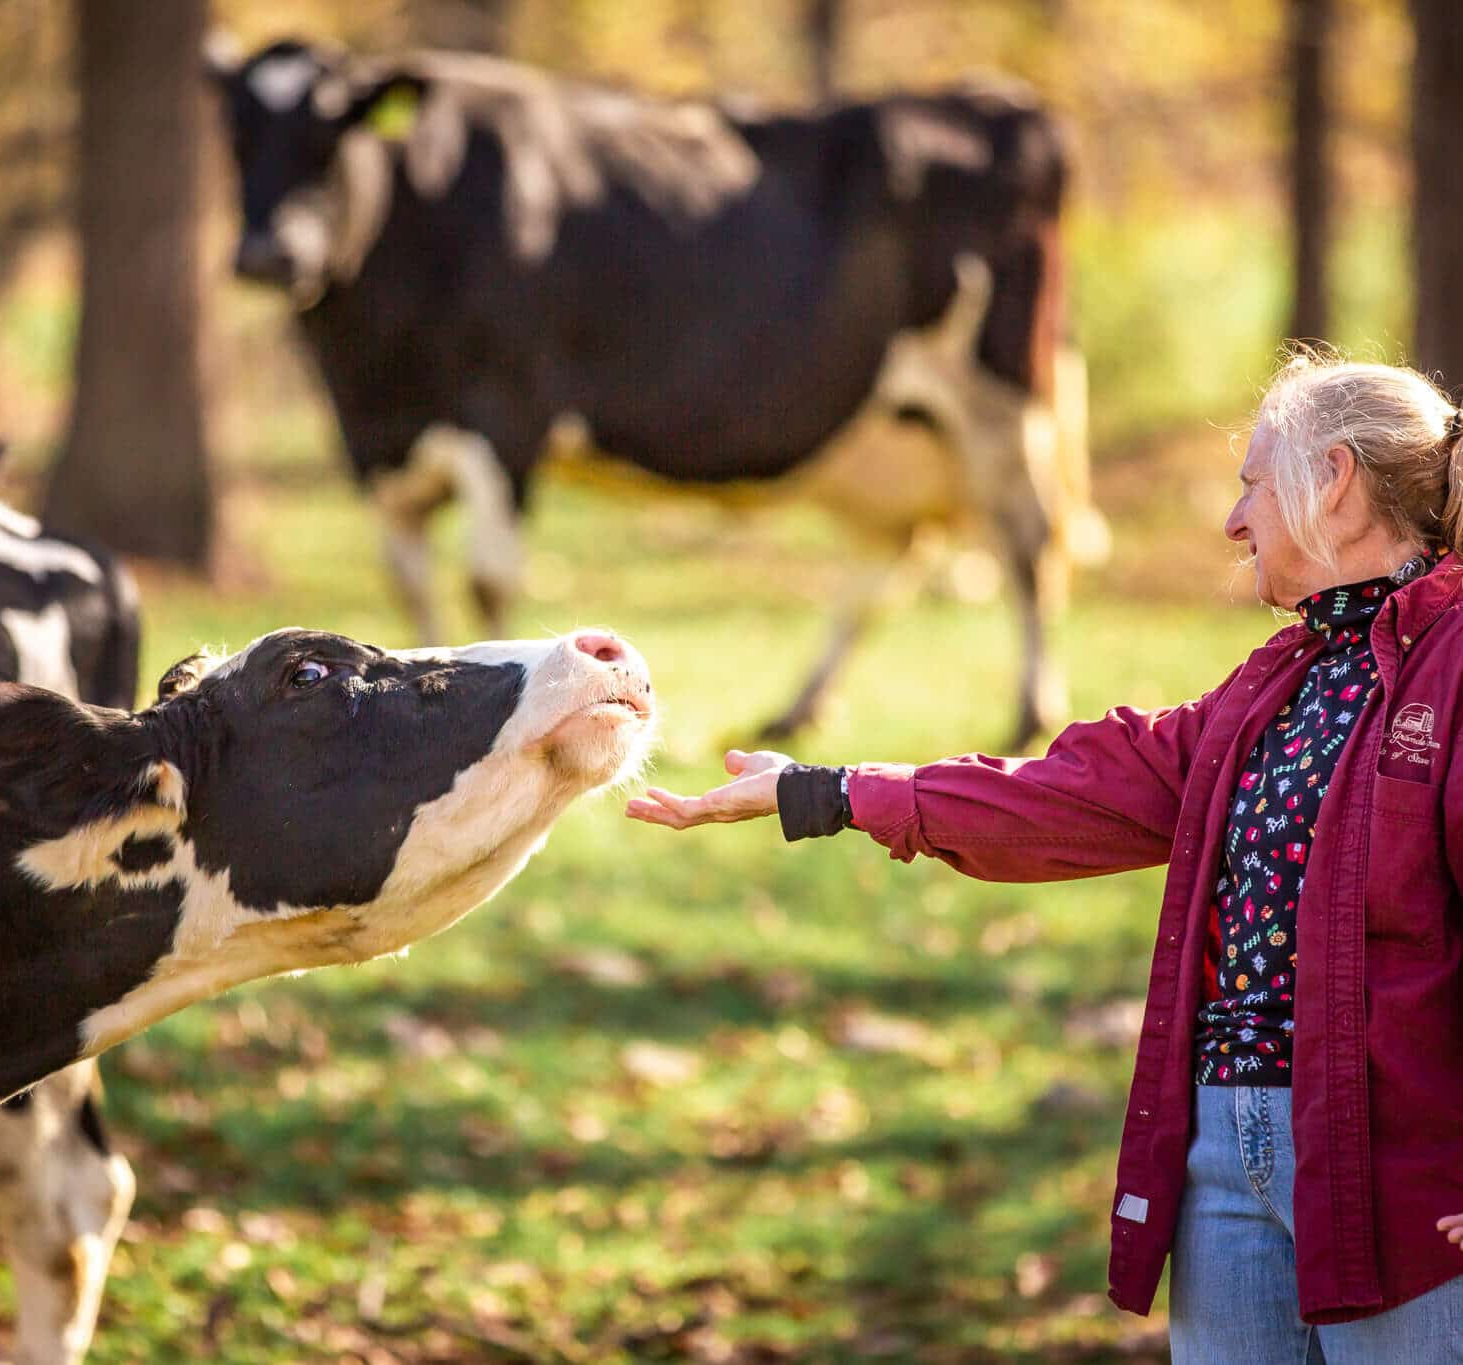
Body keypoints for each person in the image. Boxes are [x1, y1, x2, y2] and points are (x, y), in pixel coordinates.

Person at [627, 355, 1463, 1361]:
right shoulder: (1273, 686)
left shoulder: (1450, 666)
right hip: (1221, 1169)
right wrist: (830, 791)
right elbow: (1068, 793)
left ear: (1330, 479)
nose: (1235, 520)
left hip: (1398, 1178)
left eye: (1252, 481)